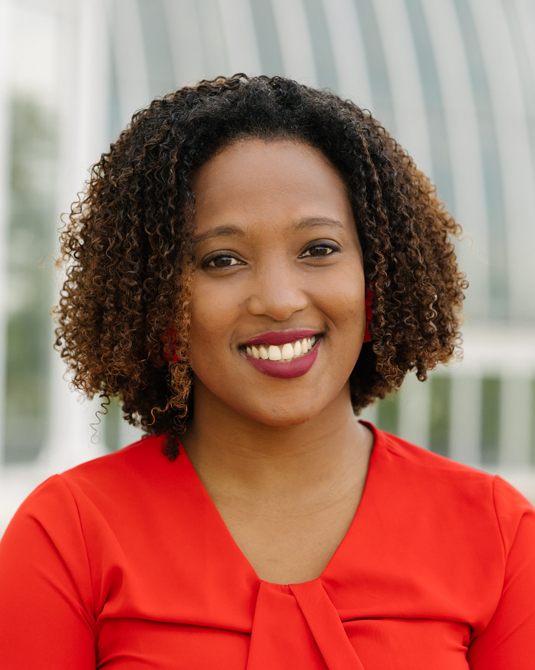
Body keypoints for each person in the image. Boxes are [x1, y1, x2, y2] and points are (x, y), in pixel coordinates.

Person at [0, 74, 534, 669]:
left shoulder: (497, 533)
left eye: (319, 249)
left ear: (375, 278)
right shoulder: (66, 536)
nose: (279, 300)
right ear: (158, 301)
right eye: (221, 260)